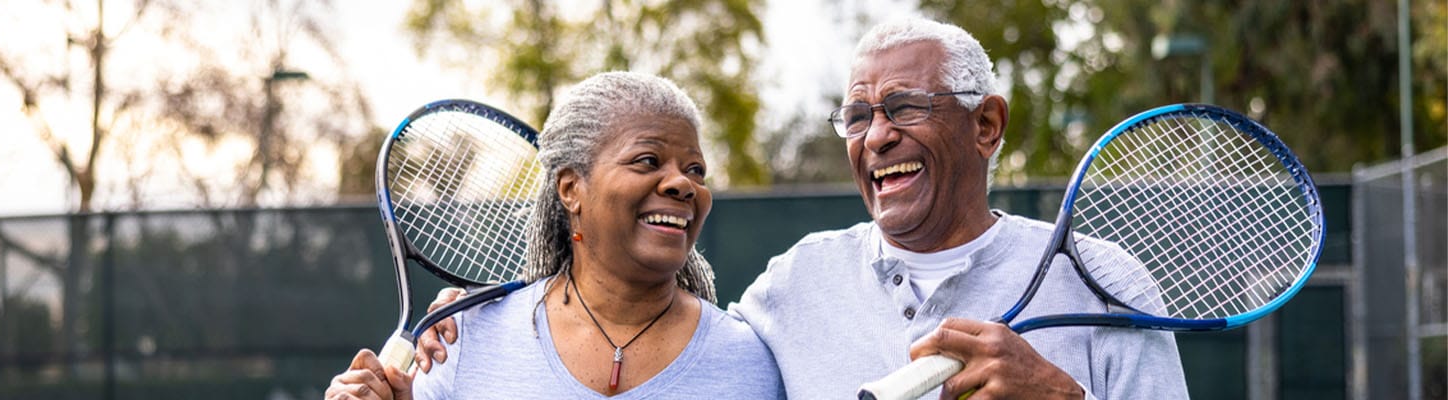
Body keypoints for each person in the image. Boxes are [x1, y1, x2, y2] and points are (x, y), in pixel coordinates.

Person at [417, 16, 1187, 400]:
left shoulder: (1106, 283)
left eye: (905, 107)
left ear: (985, 125)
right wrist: (475, 320)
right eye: (857, 117)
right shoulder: (794, 286)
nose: (877, 136)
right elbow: (652, 332)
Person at [324, 71, 784, 400]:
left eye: (696, 169)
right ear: (570, 189)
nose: (683, 184)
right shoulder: (460, 343)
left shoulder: (749, 362)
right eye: (647, 160)